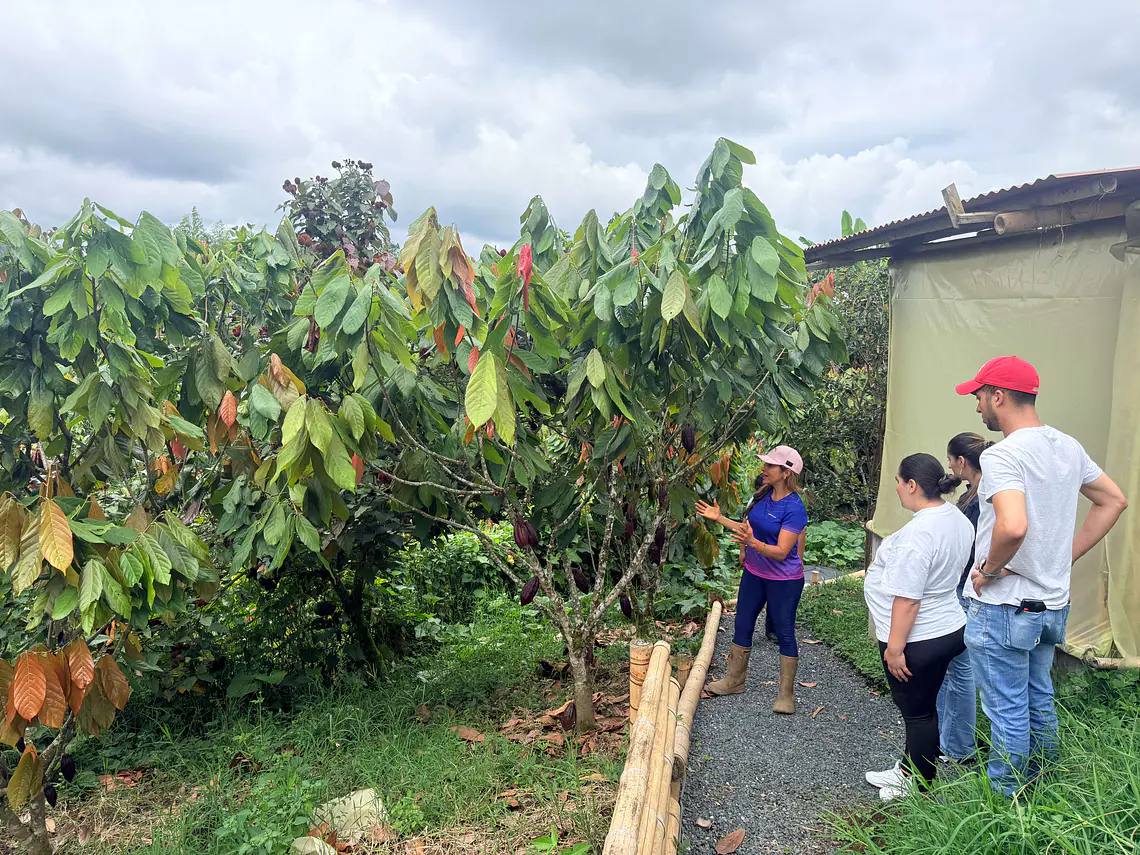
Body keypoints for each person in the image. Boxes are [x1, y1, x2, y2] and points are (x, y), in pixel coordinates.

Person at [955, 356, 1128, 795]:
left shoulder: (1004, 455)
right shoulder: (1067, 446)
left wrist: (988, 571)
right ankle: (1044, 790)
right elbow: (1114, 500)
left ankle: (1005, 804)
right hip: (1052, 605)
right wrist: (1064, 555)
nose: (977, 407)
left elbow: (1012, 526)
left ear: (999, 396)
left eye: (979, 396)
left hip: (1006, 607)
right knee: (1038, 700)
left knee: (1007, 710)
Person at [863, 454, 974, 800]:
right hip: (948, 626)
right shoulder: (954, 517)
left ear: (912, 485)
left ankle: (921, 785)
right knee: (926, 704)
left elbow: (908, 599)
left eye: (897, 481)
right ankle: (907, 769)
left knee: (918, 712)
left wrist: (895, 649)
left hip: (919, 637)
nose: (896, 488)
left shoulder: (919, 534)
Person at [696, 445, 808, 714]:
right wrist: (719, 517)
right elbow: (747, 530)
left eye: (771, 465)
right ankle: (734, 680)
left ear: (786, 472)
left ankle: (786, 694)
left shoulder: (795, 508)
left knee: (784, 631)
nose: (764, 468)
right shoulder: (764, 496)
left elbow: (782, 552)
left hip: (784, 580)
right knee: (743, 622)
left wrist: (753, 544)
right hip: (755, 575)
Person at [935, 432, 991, 764]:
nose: (948, 465)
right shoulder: (973, 492)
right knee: (951, 665)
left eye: (949, 459)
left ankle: (959, 746)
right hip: (961, 585)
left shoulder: (981, 498)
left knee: (959, 667)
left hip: (967, 586)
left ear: (961, 462)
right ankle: (947, 738)